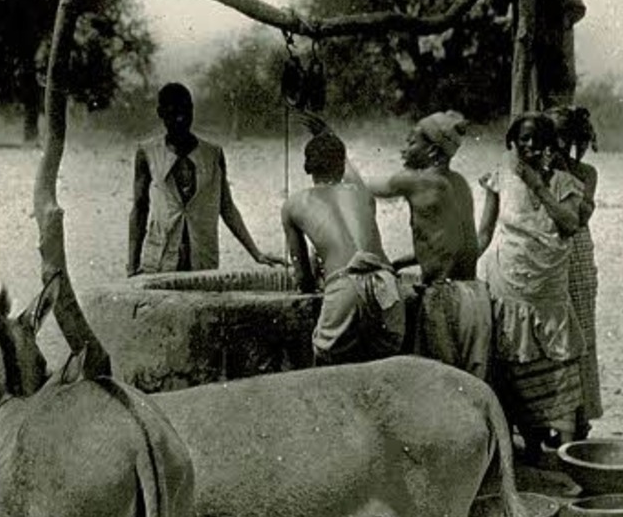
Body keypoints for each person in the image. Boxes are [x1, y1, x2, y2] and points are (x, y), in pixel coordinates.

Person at [476, 112, 585, 462]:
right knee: (512, 364)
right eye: (523, 138)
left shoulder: (565, 183)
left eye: (538, 139)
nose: (530, 145)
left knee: (559, 369)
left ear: (551, 145)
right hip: (509, 284)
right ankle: (528, 452)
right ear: (513, 141)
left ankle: (567, 458)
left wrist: (537, 184)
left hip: (549, 291)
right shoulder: (502, 178)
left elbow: (570, 224)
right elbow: (484, 233)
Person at [351, 110, 492, 380]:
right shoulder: (459, 183)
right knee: (473, 387)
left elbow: (359, 186)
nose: (404, 148)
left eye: (412, 142)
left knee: (440, 388)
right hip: (475, 299)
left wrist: (333, 146)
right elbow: (449, 244)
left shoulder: (415, 181)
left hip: (444, 300)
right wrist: (401, 262)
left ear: (432, 152)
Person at [128, 82, 284, 276]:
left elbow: (226, 207)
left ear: (192, 110)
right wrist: (132, 265)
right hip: (159, 259)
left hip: (202, 260)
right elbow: (140, 208)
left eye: (186, 112)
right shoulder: (147, 152)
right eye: (173, 113)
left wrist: (256, 253)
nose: (181, 119)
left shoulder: (212, 154)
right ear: (161, 113)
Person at [281, 126, 405, 365]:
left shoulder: (293, 205)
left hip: (345, 285)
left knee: (328, 366)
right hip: (387, 286)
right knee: (384, 366)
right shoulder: (363, 194)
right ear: (341, 164)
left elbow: (303, 279)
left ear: (307, 168)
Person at [551, 105, 604, 439]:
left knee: (580, 333)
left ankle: (579, 415)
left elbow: (579, 218)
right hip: (544, 251)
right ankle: (552, 418)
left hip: (576, 255)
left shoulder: (586, 172)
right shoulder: (537, 170)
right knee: (549, 331)